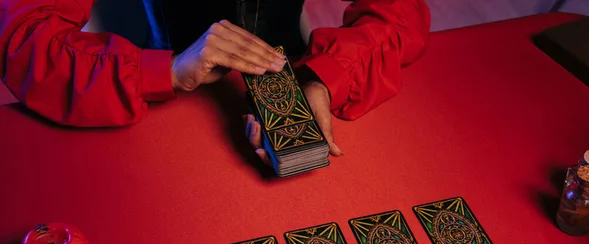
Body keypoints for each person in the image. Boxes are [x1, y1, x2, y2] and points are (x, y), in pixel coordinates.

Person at [0, 0, 430, 165]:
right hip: (166, 81)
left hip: (298, 67)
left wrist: (323, 77)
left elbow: (401, 9)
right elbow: (23, 37)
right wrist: (164, 70)